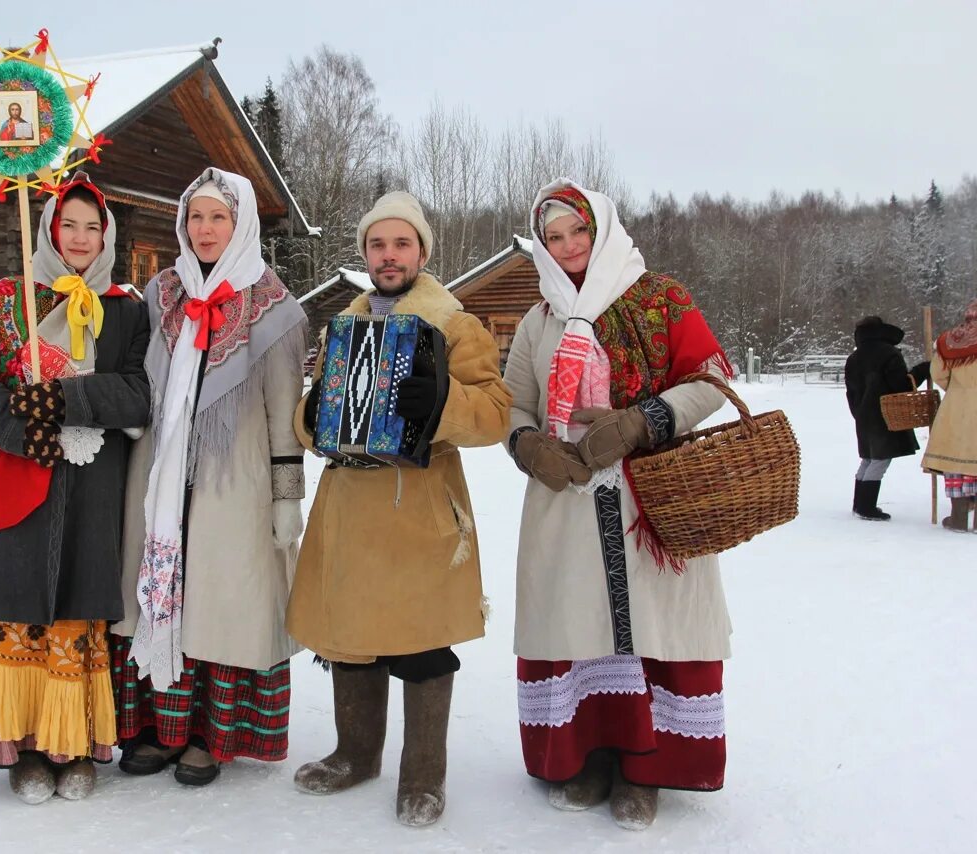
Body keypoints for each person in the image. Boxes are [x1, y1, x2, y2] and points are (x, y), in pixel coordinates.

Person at [502, 181, 734, 831]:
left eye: (579, 231)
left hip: (650, 491)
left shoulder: (660, 299)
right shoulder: (540, 317)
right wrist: (527, 446)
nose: (569, 245)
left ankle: (646, 768)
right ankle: (587, 757)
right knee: (578, 623)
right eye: (554, 236)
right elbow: (514, 401)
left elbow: (712, 377)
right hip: (568, 495)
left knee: (649, 626)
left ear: (601, 231)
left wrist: (642, 421)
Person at [287, 191, 511, 827]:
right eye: (377, 245)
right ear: (364, 254)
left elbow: (495, 412)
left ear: (421, 252)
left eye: (401, 244)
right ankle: (356, 754)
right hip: (349, 504)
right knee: (349, 638)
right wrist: (313, 417)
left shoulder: (454, 324)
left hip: (417, 508)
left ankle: (423, 775)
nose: (389, 256)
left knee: (420, 643)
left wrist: (440, 405)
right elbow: (315, 419)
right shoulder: (344, 325)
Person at [0, 173, 151, 804]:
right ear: (49, 230)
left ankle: (73, 745)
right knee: (14, 607)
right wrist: (18, 426)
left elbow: (138, 393)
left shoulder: (126, 309)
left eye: (93, 227)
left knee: (76, 616)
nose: (81, 238)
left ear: (106, 236)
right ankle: (21, 748)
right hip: (9, 474)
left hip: (90, 488)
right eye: (69, 226)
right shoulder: (6, 298)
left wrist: (62, 397)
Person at [113, 168, 308, 787]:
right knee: (161, 591)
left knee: (222, 603)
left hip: (235, 484)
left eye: (217, 217)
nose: (204, 229)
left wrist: (285, 498)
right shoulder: (161, 292)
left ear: (240, 223)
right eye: (195, 217)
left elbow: (285, 412)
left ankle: (209, 735)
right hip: (161, 475)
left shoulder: (273, 305)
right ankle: (159, 730)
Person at [920, 296, 977, 533]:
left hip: (957, 406)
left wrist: (959, 389)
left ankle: (958, 518)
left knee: (957, 460)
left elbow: (939, 374)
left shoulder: (950, 340)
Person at [844, 316, 931, 520]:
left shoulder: (854, 357)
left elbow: (851, 391)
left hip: (863, 413)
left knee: (869, 457)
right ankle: (866, 507)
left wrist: (858, 411)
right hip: (885, 413)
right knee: (880, 458)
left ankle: (860, 504)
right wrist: (921, 371)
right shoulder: (888, 353)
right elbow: (900, 385)